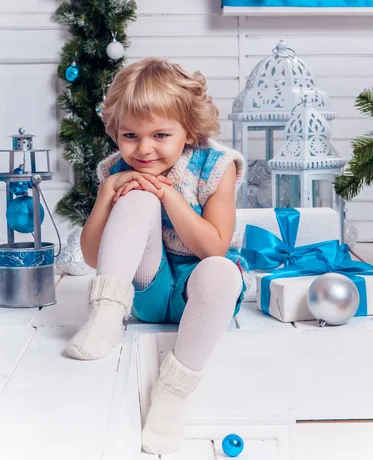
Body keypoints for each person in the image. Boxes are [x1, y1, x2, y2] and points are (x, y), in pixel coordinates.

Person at [66, 57, 249, 455]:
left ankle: (172, 394)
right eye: (130, 135)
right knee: (135, 201)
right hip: (148, 289)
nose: (144, 149)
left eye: (160, 134)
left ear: (189, 131)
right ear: (116, 131)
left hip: (198, 297)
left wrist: (168, 193)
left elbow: (214, 245)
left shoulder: (216, 166)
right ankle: (105, 316)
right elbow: (95, 256)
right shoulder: (118, 168)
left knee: (220, 270)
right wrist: (106, 194)